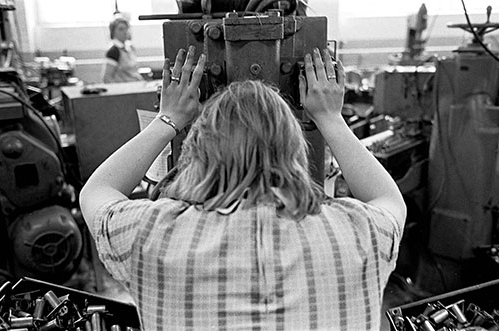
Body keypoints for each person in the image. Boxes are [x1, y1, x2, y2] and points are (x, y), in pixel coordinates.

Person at [80, 46, 406, 330]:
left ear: (199, 151)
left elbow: (97, 191)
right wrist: (331, 119)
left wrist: (168, 118)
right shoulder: (358, 234)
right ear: (295, 150)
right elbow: (388, 199)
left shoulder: (151, 233)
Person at [102, 15, 144, 83]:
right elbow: (107, 78)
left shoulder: (130, 48)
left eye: (126, 28)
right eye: (121, 29)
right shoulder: (113, 51)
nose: (125, 31)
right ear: (113, 31)